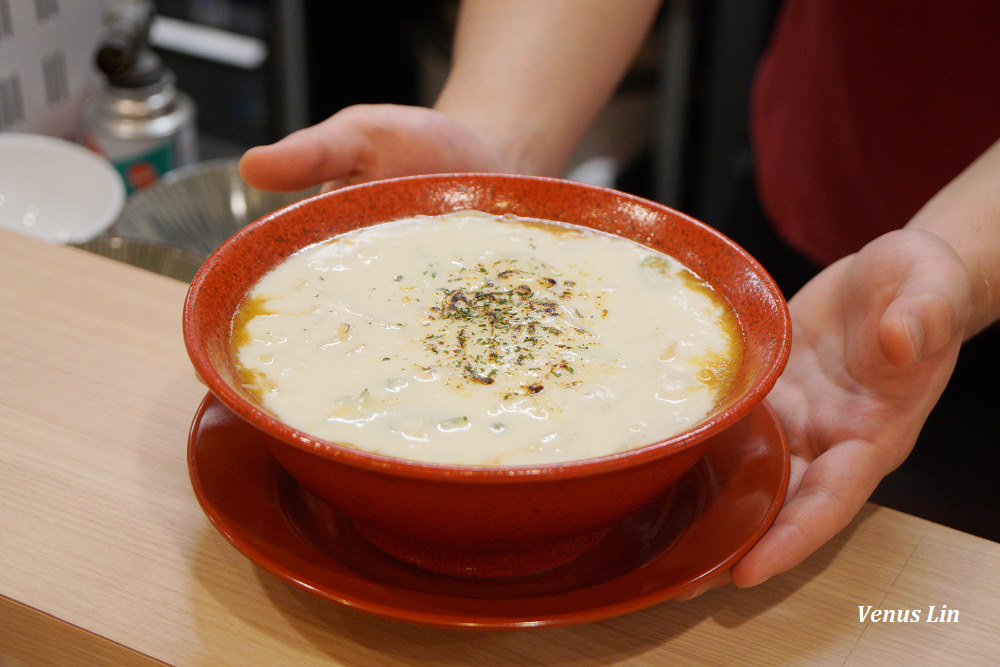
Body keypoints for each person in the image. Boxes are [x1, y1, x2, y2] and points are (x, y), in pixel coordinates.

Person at [238, 0, 1000, 595]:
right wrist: (495, 144)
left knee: (924, 596)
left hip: (936, 317)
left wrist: (967, 257)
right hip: (823, 168)